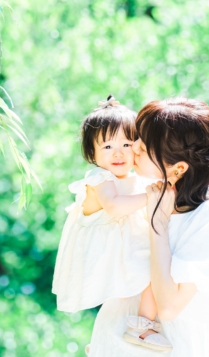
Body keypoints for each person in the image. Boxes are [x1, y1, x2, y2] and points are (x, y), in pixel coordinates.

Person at [87, 97, 209, 356]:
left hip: (175, 345)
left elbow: (170, 306)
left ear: (178, 168)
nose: (134, 146)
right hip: (114, 338)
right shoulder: (138, 190)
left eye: (144, 145)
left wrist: (158, 224)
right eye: (137, 136)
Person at [53, 96, 171, 351]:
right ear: (92, 153)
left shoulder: (136, 178)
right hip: (105, 252)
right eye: (107, 147)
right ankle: (142, 329)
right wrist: (154, 195)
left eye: (127, 144)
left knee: (154, 272)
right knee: (154, 272)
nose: (118, 153)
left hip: (123, 247)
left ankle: (104, 342)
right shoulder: (100, 177)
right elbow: (115, 206)